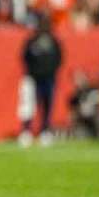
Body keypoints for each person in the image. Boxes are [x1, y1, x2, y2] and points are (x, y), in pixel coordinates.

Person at [19, 17, 62, 146]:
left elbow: (59, 58)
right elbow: (25, 57)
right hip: (33, 78)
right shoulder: (32, 42)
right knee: (29, 106)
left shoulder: (53, 42)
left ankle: (45, 131)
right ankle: (26, 131)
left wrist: (51, 72)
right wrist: (32, 72)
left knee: (47, 106)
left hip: (48, 79)